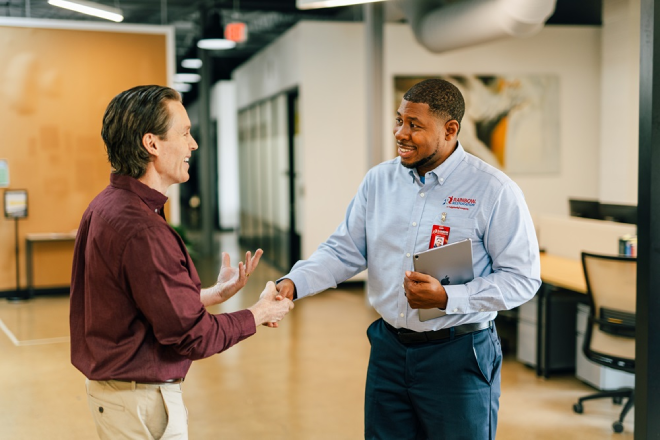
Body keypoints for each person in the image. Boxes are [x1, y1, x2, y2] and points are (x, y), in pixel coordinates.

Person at [276, 79, 540, 440]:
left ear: (450, 130)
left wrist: (449, 298)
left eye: (415, 125)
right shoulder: (379, 181)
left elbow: (522, 278)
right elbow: (344, 250)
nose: (401, 133)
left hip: (459, 354)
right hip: (389, 349)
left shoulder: (493, 191)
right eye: (399, 121)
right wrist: (292, 284)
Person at [69, 85, 294, 440]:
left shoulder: (107, 205)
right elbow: (192, 336)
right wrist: (260, 312)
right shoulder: (142, 229)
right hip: (140, 404)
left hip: (119, 398)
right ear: (152, 144)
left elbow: (145, 303)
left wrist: (215, 293)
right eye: (185, 133)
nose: (194, 145)